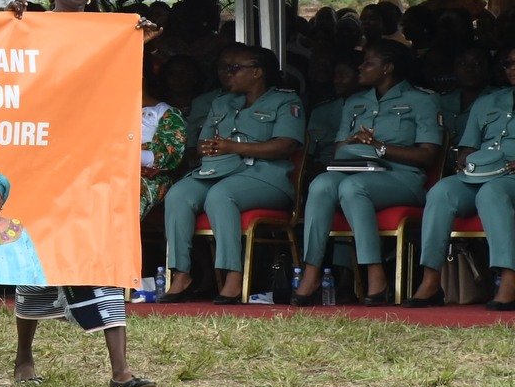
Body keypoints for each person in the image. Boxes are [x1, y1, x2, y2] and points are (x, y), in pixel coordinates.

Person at [7, 0, 155, 387]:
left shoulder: (107, 32)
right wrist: (10, 22)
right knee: (37, 265)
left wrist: (137, 39)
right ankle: (23, 355)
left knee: (100, 256)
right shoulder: (26, 25)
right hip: (40, 164)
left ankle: (121, 373)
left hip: (90, 164)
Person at [294, 39, 444, 304]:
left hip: (402, 177)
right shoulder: (354, 102)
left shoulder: (422, 100)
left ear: (387, 68)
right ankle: (311, 272)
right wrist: (354, 142)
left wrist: (380, 148)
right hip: (354, 169)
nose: (360, 67)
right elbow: (339, 147)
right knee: (320, 185)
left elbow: (428, 155)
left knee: (353, 188)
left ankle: (375, 274)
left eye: (368, 62)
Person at [159, 44, 301, 303]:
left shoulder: (285, 101)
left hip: (264, 176)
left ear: (257, 72)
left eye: (234, 69)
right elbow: (203, 144)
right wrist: (207, 147)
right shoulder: (221, 102)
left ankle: (233, 277)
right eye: (223, 68)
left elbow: (286, 145)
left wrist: (233, 147)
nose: (226, 74)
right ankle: (181, 274)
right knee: (178, 194)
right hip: (218, 170)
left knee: (221, 196)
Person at [412, 46, 515, 309]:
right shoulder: (488, 101)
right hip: (481, 172)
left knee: (492, 193)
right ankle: (431, 279)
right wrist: (465, 158)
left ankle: (508, 280)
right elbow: (468, 145)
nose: (512, 68)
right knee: (440, 192)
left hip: (510, 176)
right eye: (508, 63)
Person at [139, 66, 187, 219]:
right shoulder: (108, 112)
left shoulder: (164, 112)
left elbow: (169, 154)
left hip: (149, 177)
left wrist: (130, 156)